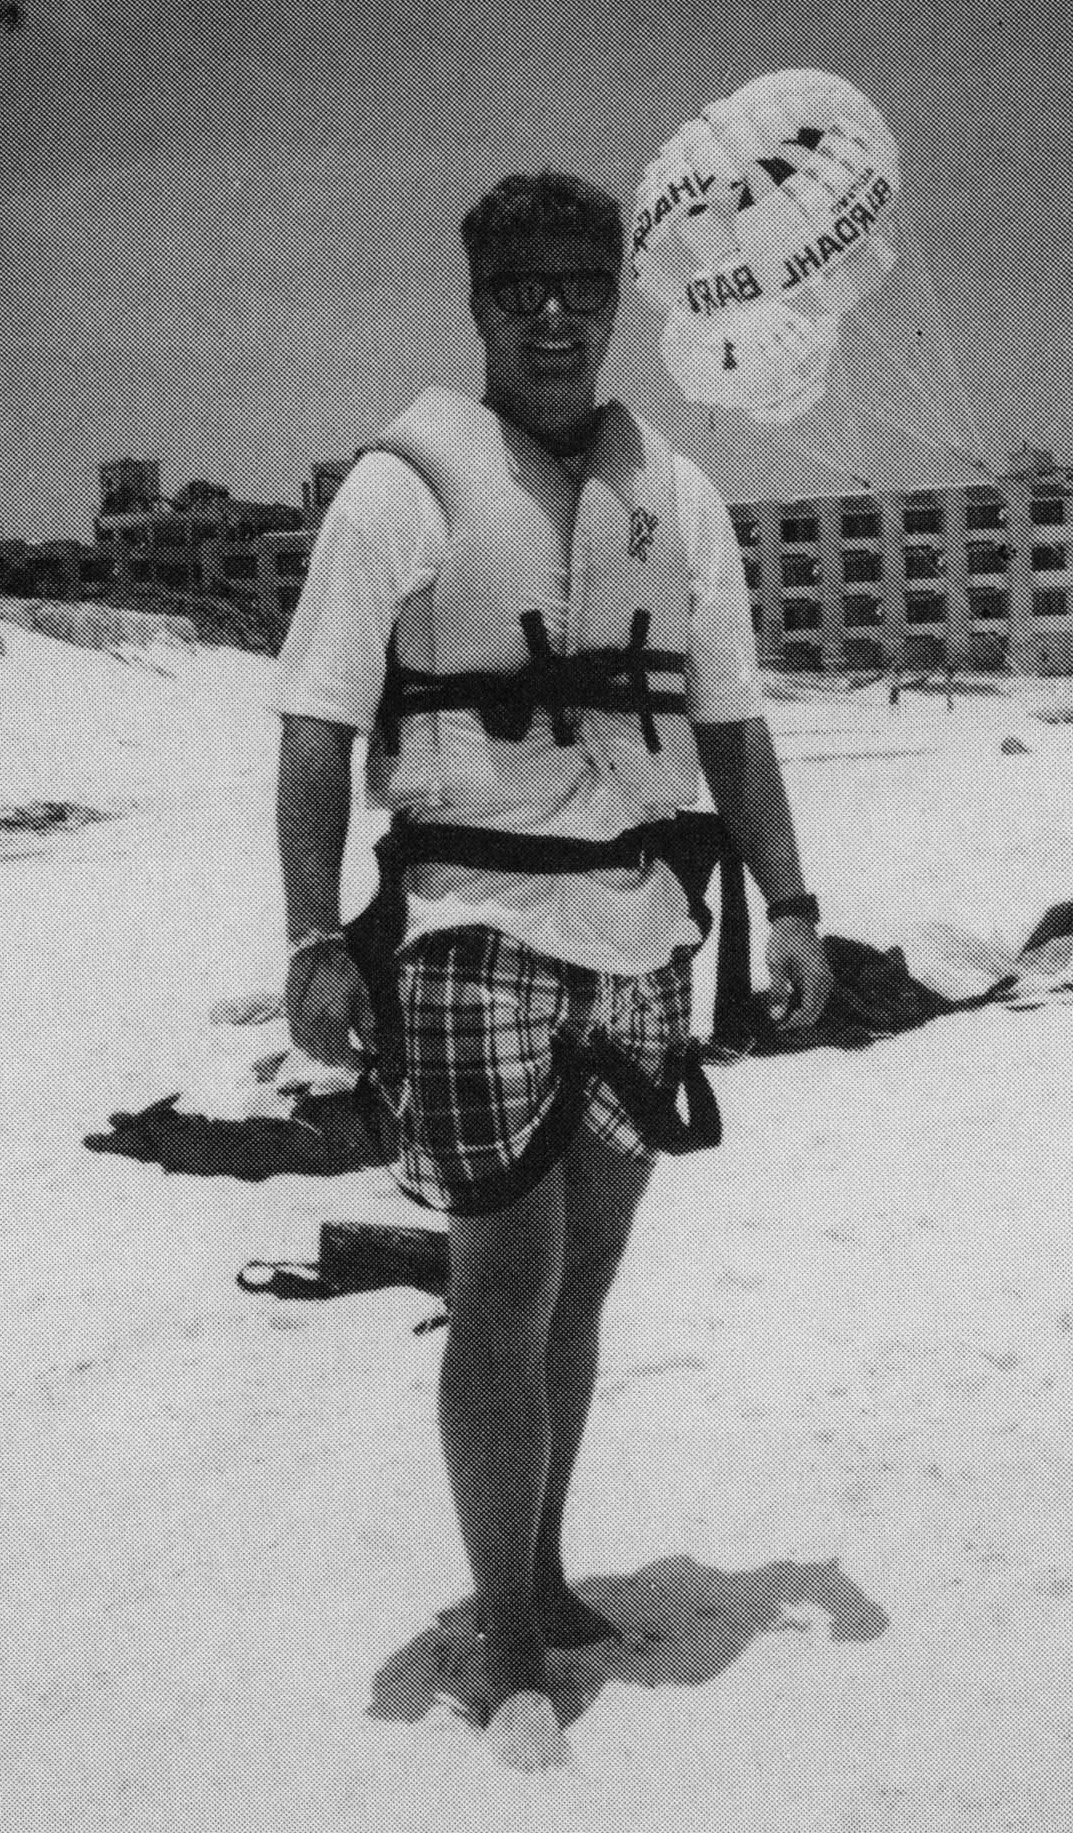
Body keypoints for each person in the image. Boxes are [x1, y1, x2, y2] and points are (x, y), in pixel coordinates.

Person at [272, 171, 832, 1767]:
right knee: (502, 1282)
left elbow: (727, 721)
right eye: (521, 285)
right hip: (473, 924)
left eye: (580, 283)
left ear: (615, 300)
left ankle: (545, 1568)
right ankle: (506, 1643)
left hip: (647, 930)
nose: (553, 310)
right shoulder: (406, 488)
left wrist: (788, 904)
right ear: (480, 305)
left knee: (585, 1278)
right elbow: (316, 728)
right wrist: (316, 938)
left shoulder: (686, 495)